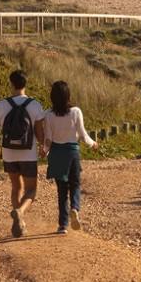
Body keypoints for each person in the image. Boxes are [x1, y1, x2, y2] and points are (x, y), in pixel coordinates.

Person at [0, 70, 46, 238]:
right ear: (25, 84)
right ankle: (20, 212)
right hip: (28, 154)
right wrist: (44, 147)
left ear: (11, 84)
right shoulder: (35, 105)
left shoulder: (1, 105)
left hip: (9, 153)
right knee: (31, 190)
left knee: (16, 187)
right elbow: (39, 132)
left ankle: (18, 221)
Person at [40, 81, 97, 234]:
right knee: (75, 184)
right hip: (72, 152)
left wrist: (44, 150)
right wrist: (93, 144)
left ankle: (62, 225)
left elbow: (48, 138)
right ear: (68, 95)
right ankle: (75, 208)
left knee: (62, 190)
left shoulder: (48, 114)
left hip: (57, 153)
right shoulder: (76, 111)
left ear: (52, 97)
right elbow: (83, 134)